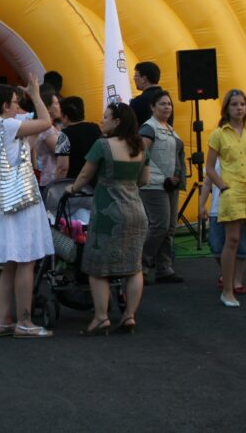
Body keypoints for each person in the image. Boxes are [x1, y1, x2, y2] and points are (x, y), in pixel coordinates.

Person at [65, 102, 150, 335]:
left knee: (97, 267)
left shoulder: (102, 145)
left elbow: (84, 174)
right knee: (134, 267)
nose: (102, 121)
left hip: (108, 213)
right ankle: (129, 315)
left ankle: (101, 317)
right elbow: (144, 180)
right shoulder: (141, 146)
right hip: (136, 210)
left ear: (117, 122)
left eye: (106, 117)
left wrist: (72, 189)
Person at [0, 76, 55, 338]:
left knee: (10, 264)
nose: (18, 107)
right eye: (14, 103)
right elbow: (46, 122)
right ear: (4, 106)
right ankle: (25, 322)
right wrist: (36, 95)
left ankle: (4, 320)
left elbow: (28, 143)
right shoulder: (7, 125)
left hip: (2, 196)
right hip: (21, 197)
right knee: (26, 259)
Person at [206, 89, 246, 307]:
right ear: (226, 108)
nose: (239, 108)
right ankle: (228, 290)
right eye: (234, 104)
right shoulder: (218, 134)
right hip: (232, 191)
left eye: (242, 104)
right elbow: (209, 168)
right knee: (231, 240)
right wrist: (223, 187)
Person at [139, 90, 186, 284]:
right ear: (152, 107)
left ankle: (164, 267)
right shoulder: (149, 128)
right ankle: (141, 264)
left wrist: (176, 176)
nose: (167, 107)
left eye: (169, 104)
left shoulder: (169, 128)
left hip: (170, 185)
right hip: (153, 185)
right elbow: (141, 156)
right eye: (162, 104)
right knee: (160, 225)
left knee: (170, 228)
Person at [198, 159, 246, 294]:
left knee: (241, 244)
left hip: (239, 206)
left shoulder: (243, 153)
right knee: (216, 245)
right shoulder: (215, 158)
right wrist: (202, 205)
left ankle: (237, 279)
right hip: (218, 208)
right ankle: (227, 271)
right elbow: (207, 184)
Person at [54, 96, 102, 182]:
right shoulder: (96, 128)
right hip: (96, 182)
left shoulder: (64, 135)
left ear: (65, 116)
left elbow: (62, 168)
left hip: (74, 184)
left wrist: (57, 187)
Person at [35, 85, 62, 193]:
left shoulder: (53, 126)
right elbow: (60, 151)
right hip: (51, 181)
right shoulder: (47, 130)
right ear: (48, 108)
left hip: (53, 179)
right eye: (56, 103)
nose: (59, 106)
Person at [130, 61, 166, 126]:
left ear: (143, 79)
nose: (134, 78)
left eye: (136, 75)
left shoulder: (139, 101)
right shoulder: (167, 100)